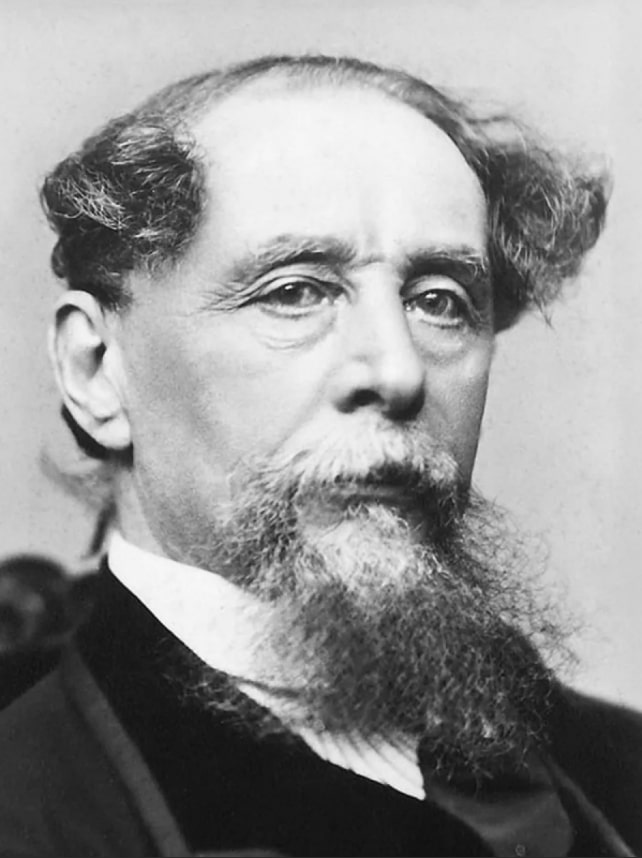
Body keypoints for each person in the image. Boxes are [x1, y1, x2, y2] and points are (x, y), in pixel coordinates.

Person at [0, 53, 639, 858]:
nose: (398, 372)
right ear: (96, 371)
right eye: (295, 292)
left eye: (439, 301)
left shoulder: (619, 769)